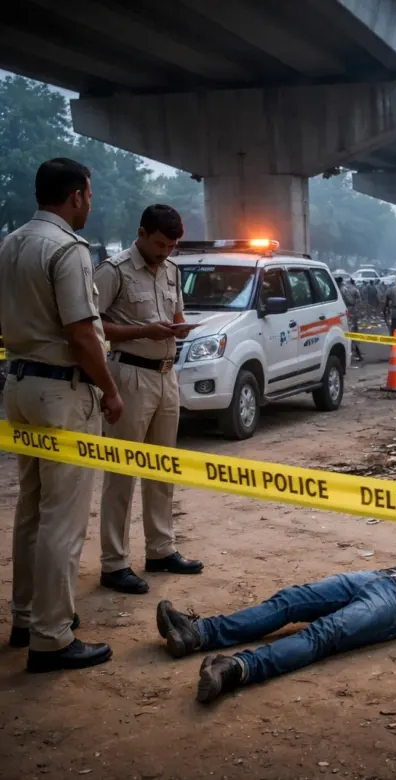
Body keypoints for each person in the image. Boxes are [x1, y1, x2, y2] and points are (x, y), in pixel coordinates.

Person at [0, 158, 124, 672]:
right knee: (63, 517)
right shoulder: (68, 249)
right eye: (89, 195)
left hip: (20, 386)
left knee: (31, 507)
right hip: (61, 394)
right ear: (76, 196)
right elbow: (80, 335)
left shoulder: (10, 244)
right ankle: (52, 637)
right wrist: (111, 390)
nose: (90, 204)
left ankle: (26, 618)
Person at [155, 549, 396, 703]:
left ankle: (237, 668)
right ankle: (198, 633)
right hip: (379, 578)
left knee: (322, 635)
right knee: (289, 601)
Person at [94, 205, 203, 596]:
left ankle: (160, 549)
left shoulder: (173, 269)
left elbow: (175, 314)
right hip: (129, 374)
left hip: (166, 374)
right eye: (160, 244)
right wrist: (143, 331)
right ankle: (114, 563)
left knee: (163, 468)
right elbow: (92, 324)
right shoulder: (114, 270)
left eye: (172, 245)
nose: (165, 252)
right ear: (141, 233)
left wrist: (177, 329)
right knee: (122, 472)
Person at [337, 277, 363, 363]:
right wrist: (359, 312)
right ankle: (356, 352)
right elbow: (359, 301)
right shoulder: (355, 289)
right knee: (353, 331)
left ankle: (353, 351)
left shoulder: (342, 289)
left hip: (344, 310)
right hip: (352, 310)